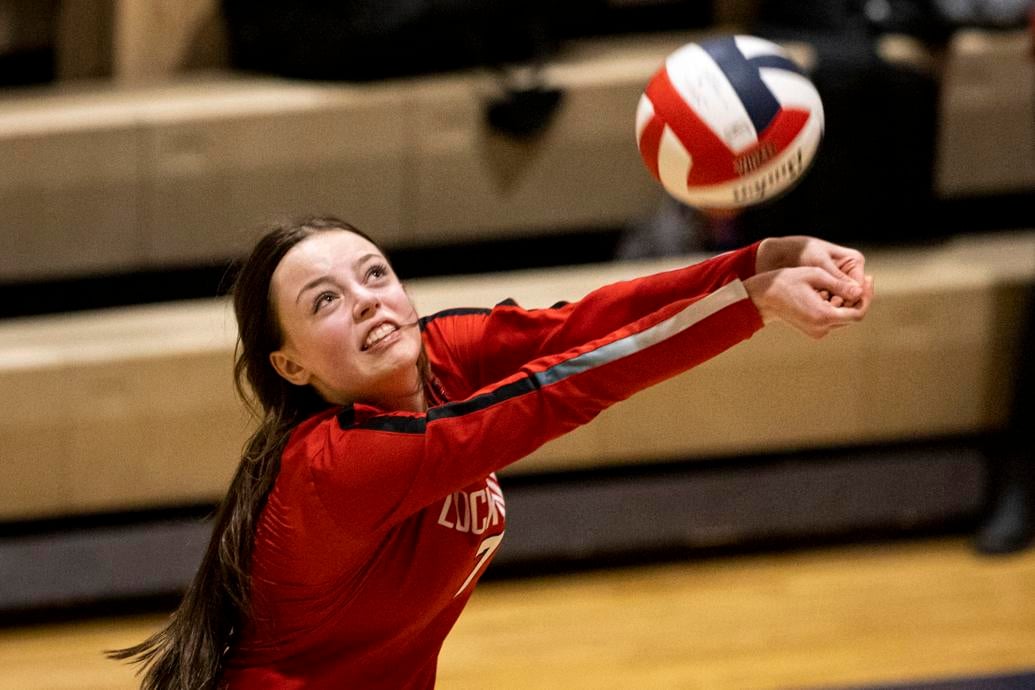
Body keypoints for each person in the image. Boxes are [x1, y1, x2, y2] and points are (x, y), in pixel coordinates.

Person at [110, 216, 874, 689]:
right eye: (325, 302)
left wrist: (759, 256)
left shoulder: (441, 357)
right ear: (292, 366)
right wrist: (753, 306)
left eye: (373, 274)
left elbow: (582, 325)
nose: (368, 299)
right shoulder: (335, 465)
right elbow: (562, 388)